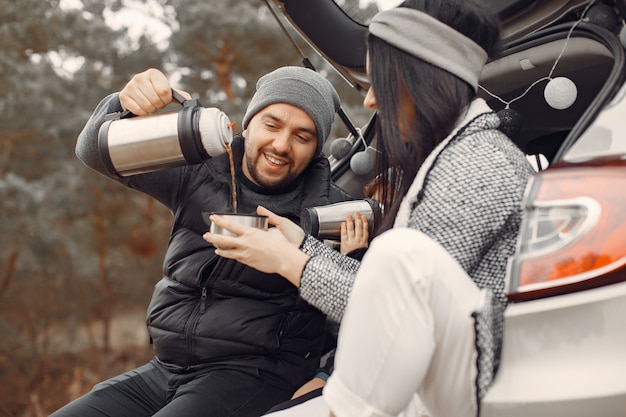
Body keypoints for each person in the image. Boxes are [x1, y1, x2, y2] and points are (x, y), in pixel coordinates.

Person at [202, 0, 535, 416]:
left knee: (399, 251)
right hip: (436, 373)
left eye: (380, 82)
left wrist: (290, 262)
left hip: (468, 384)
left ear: (420, 80)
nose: (372, 100)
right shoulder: (457, 153)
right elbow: (394, 298)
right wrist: (303, 245)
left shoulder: (477, 166)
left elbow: (396, 319)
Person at [50, 65, 354, 417]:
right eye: (271, 125)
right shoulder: (199, 172)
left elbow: (365, 307)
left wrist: (326, 375)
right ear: (248, 121)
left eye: (302, 137)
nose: (281, 145)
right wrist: (123, 103)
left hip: (255, 375)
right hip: (167, 368)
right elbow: (92, 151)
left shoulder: (333, 211)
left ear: (317, 148)